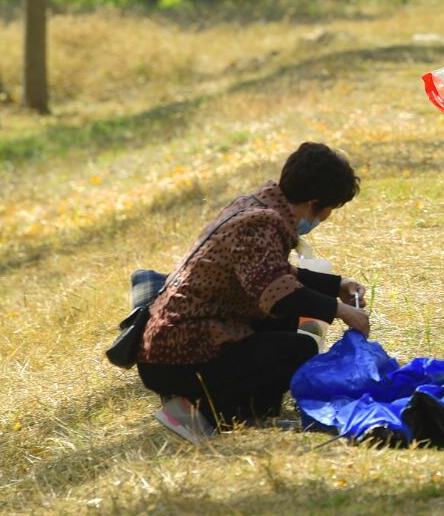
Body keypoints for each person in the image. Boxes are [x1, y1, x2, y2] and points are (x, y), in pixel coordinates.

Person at [138, 142, 369, 443]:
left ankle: (243, 407)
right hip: (179, 353)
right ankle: (203, 413)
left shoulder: (256, 206)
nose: (324, 218)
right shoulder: (260, 223)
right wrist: (342, 311)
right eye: (329, 210)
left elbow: (272, 274)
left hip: (178, 343)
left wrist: (336, 285)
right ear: (315, 203)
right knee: (299, 349)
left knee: (286, 325)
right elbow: (278, 294)